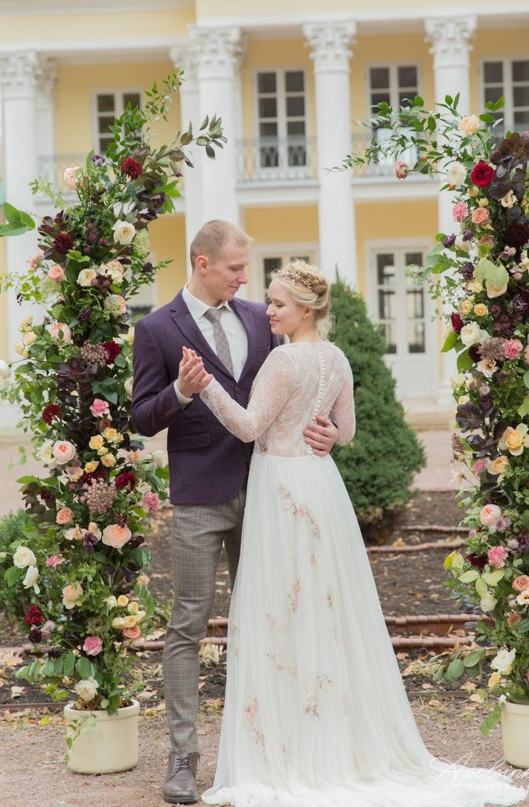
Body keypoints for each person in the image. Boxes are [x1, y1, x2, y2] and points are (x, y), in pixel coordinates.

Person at [178, 260, 527, 807]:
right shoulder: (336, 358)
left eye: (279, 304)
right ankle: (332, 733)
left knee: (283, 612)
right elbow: (350, 430)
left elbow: (248, 427)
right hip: (320, 486)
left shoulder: (281, 360)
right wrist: (330, 432)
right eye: (269, 301)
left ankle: (293, 748)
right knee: (327, 609)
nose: (268, 311)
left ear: (307, 309)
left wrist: (203, 389)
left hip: (281, 490)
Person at [131, 221, 337, 805]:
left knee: (273, 618)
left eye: (247, 270)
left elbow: (291, 393)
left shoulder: (259, 318)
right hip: (198, 496)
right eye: (234, 269)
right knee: (187, 625)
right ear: (201, 263)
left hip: (268, 492)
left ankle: (273, 749)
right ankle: (183, 758)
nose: (245, 279)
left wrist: (325, 433)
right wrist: (180, 392)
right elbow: (142, 416)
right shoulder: (155, 328)